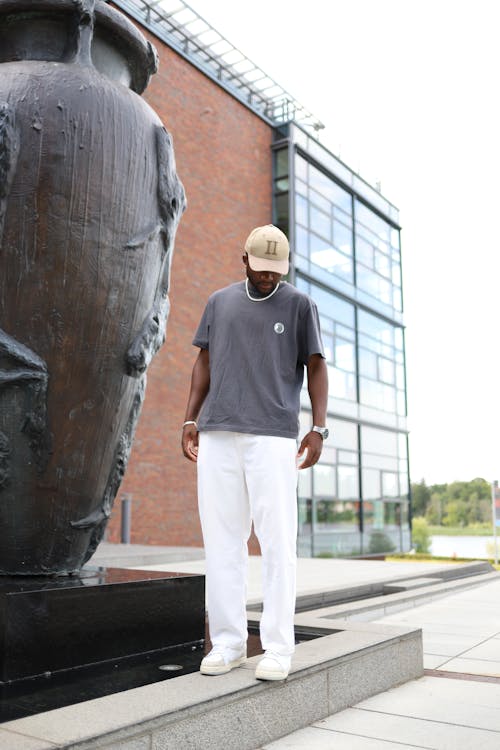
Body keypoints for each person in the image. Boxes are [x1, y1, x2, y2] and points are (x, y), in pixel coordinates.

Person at [181, 224, 328, 681]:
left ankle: (278, 648)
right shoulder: (219, 303)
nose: (268, 278)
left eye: (276, 271)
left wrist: (319, 427)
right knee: (222, 544)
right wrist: (190, 418)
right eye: (261, 269)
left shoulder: (300, 305)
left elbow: (317, 367)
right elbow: (203, 361)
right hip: (219, 433)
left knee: (278, 543)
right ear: (243, 260)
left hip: (274, 437)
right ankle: (227, 644)